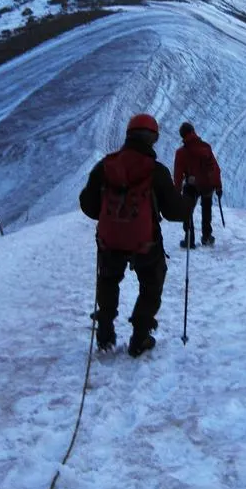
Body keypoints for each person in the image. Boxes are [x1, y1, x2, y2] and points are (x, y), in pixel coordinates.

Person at [79, 113, 193, 357]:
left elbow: (88, 205)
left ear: (129, 135)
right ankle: (140, 336)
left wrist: (112, 215)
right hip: (146, 242)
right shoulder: (156, 172)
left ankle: (105, 331)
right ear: (153, 139)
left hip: (110, 241)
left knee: (108, 280)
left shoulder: (105, 167)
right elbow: (175, 212)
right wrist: (189, 198)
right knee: (151, 284)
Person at [173, 122, 223, 248]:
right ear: (193, 131)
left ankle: (189, 239)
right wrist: (218, 186)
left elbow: (178, 174)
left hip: (192, 184)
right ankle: (206, 236)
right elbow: (214, 168)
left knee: (187, 210)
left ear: (182, 136)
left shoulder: (181, 152)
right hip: (207, 184)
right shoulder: (206, 147)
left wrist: (177, 191)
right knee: (206, 209)